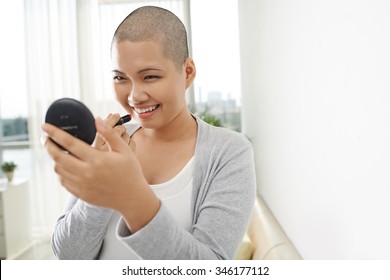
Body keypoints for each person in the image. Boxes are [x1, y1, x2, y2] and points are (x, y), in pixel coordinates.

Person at [42, 6, 256, 260]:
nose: (134, 96)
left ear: (187, 72)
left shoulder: (230, 152)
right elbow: (68, 257)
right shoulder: (107, 146)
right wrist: (98, 192)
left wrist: (131, 197)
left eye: (150, 77)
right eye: (121, 78)